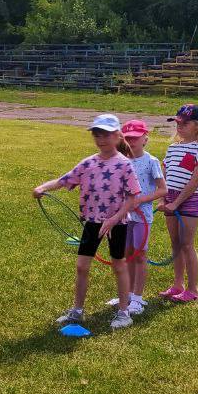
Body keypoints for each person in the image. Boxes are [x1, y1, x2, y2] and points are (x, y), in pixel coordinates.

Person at [33, 114, 142, 330]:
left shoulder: (124, 165)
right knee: (82, 266)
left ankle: (124, 312)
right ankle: (77, 311)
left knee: (119, 266)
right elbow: (63, 180)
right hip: (92, 222)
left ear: (117, 136)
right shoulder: (88, 163)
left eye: (106, 135)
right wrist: (43, 187)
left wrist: (114, 219)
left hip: (117, 224)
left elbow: (133, 198)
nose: (101, 140)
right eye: (97, 135)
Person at [108, 119, 167, 315]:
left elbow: (163, 189)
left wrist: (140, 200)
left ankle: (138, 298)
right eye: (127, 138)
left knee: (140, 255)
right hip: (125, 216)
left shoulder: (151, 162)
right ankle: (127, 294)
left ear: (145, 139)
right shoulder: (120, 161)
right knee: (127, 255)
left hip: (143, 217)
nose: (131, 142)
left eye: (135, 138)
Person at [158, 104, 198, 302]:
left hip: (189, 199)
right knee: (176, 243)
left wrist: (177, 202)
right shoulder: (172, 148)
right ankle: (177, 285)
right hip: (170, 198)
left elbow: (195, 180)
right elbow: (163, 175)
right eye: (177, 123)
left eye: (185, 123)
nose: (179, 126)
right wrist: (163, 198)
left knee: (187, 244)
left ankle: (193, 289)